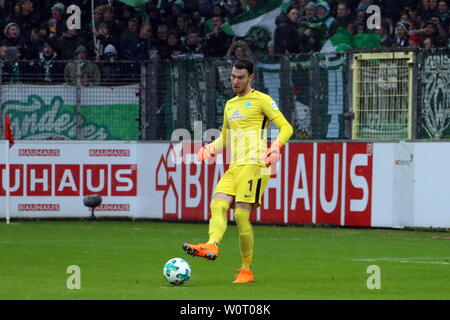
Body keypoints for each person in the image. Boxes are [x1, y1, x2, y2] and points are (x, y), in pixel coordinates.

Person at [182, 58, 293, 284]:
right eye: (233, 76)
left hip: (255, 165)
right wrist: (210, 147)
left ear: (250, 78)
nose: (235, 81)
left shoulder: (262, 100)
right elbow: (225, 136)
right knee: (218, 204)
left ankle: (246, 270)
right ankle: (211, 245)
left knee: (241, 215)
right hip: (234, 167)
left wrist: (275, 148)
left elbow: (286, 127)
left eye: (240, 77)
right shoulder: (230, 104)